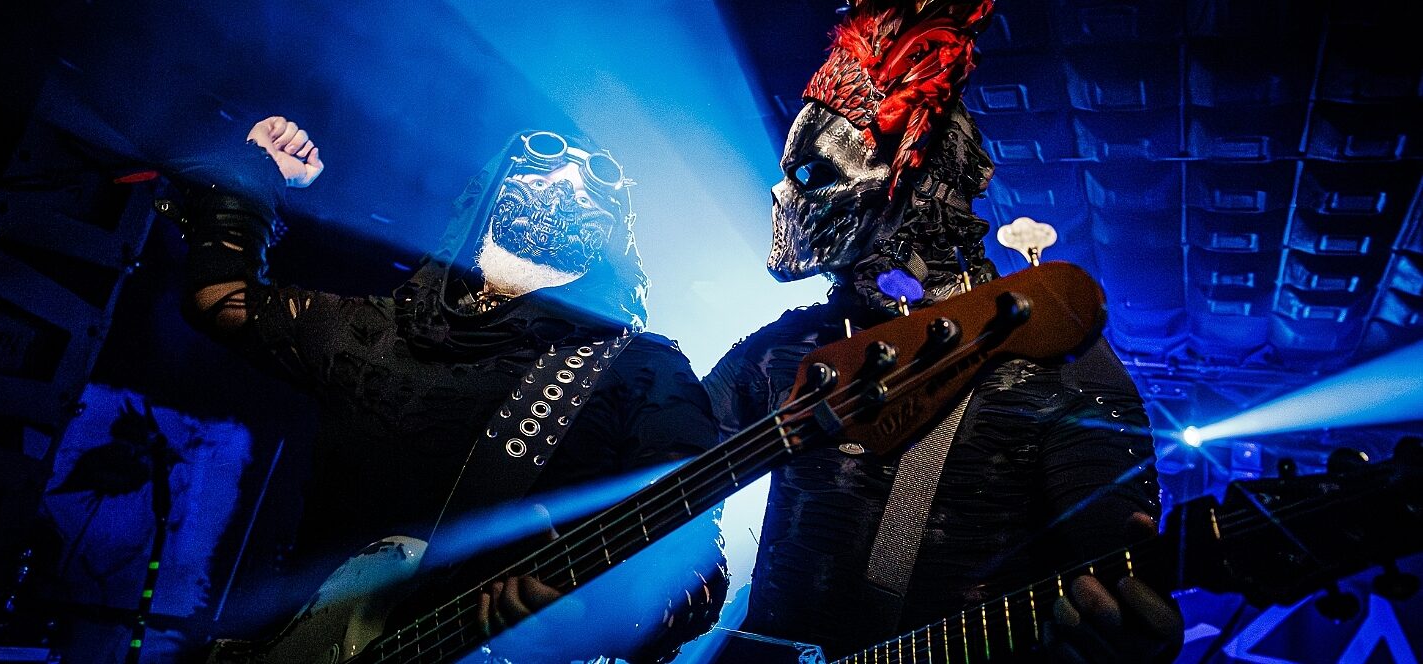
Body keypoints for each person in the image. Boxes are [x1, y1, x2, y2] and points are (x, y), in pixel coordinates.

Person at [702, 1, 1183, 662]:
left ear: (916, 184)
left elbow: (1118, 580)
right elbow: (664, 478)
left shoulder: (1060, 361)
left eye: (815, 173)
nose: (786, 195)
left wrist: (1124, 634)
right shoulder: (784, 349)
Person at [162, 116, 727, 662]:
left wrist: (590, 619)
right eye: (543, 163)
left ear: (613, 235)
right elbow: (223, 300)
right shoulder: (378, 331)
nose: (567, 180)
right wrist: (257, 174)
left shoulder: (638, 368)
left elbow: (695, 562)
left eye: (596, 182)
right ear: (491, 190)